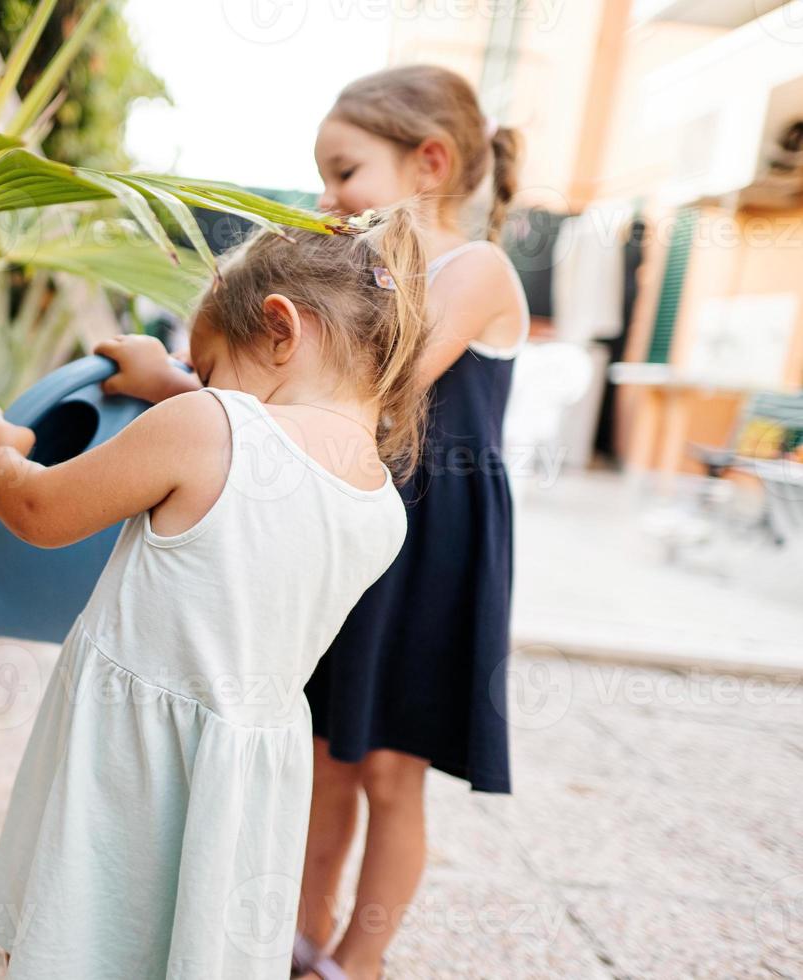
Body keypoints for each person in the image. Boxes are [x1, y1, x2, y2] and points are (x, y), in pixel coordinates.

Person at [0, 205, 428, 978]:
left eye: (204, 368)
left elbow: (43, 513)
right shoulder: (382, 505)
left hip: (129, 754)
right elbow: (266, 464)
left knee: (77, 925)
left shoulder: (207, 426)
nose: (198, 386)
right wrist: (176, 382)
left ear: (281, 328)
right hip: (247, 770)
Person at [288, 65, 532, 980]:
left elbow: (385, 389)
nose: (327, 195)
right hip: (359, 533)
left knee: (392, 769)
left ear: (428, 161)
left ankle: (361, 956)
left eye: (345, 171)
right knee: (326, 756)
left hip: (436, 543)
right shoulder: (363, 273)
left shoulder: (476, 269)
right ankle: (298, 936)